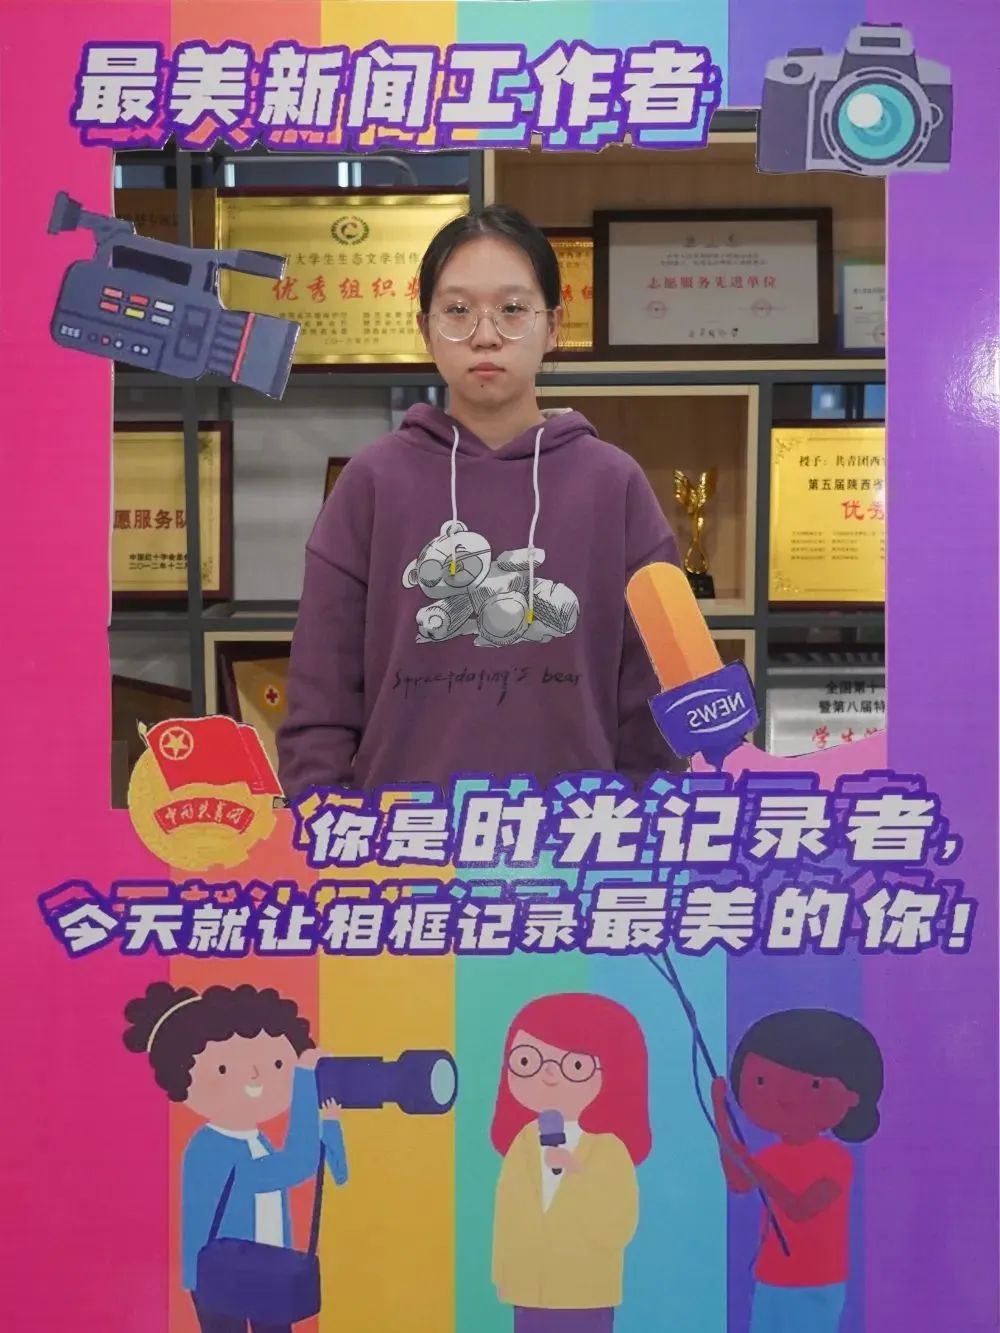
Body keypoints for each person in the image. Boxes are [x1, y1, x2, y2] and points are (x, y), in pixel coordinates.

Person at [277, 205, 683, 798]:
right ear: (425, 329)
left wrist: (636, 826)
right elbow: (321, 704)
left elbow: (657, 704)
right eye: (458, 311)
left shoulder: (614, 485)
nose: (485, 334)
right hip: (402, 841)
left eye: (513, 309)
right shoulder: (371, 483)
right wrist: (329, 824)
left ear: (554, 325)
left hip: (576, 840)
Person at [123, 982, 348, 1333]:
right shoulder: (209, 1147)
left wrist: (329, 1122)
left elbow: (330, 1171)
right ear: (182, 1079)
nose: (255, 1077)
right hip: (222, 1276)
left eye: (277, 1064)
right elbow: (295, 1165)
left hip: (269, 1270)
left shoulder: (257, 1140)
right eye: (224, 1069)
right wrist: (305, 1081)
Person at [711, 1008, 884, 1333]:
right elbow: (738, 1181)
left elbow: (800, 1208)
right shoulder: (772, 1156)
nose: (784, 1096)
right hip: (771, 1279)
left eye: (814, 1085)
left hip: (816, 1283)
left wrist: (753, 1166)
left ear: (852, 1098)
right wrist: (721, 1116)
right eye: (761, 1081)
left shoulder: (835, 1159)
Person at [489, 992, 652, 1332]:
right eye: (527, 1061)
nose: (549, 1075)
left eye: (575, 1066)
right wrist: (505, 1275)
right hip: (529, 1293)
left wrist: (578, 1174)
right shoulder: (523, 1143)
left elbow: (619, 1226)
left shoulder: (609, 1150)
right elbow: (508, 1215)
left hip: (585, 1295)